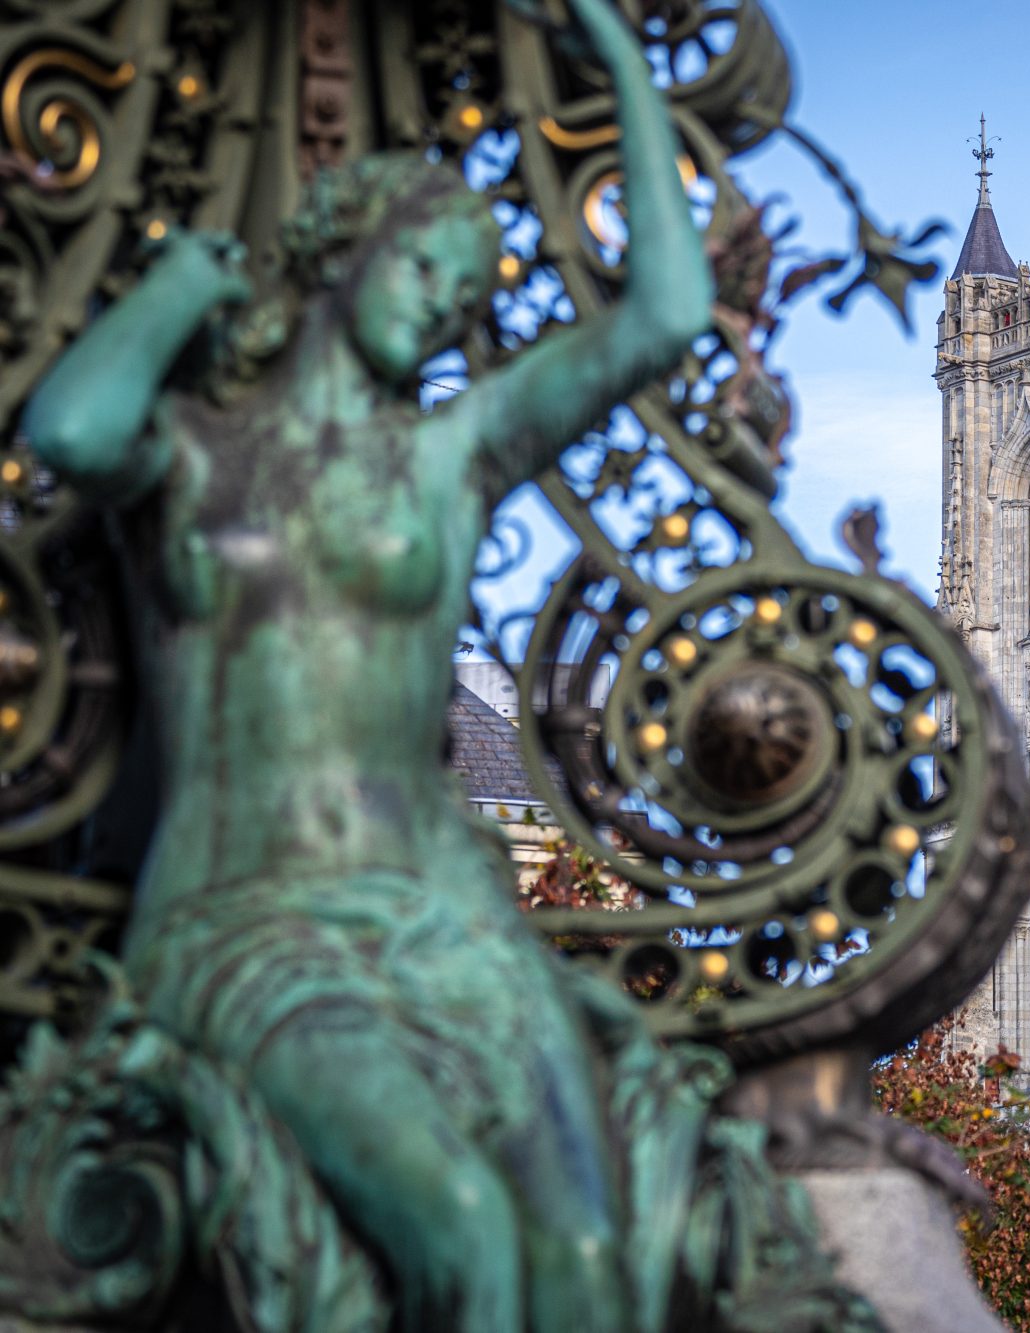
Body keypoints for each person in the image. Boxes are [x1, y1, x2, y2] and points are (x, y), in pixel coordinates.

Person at [19, 0, 711, 1327]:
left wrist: (620, 61)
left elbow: (664, 316)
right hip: (251, 913)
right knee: (458, 1231)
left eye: (469, 295)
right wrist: (175, 291)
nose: (448, 307)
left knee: (588, 1263)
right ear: (348, 252)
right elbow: (73, 423)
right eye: (426, 267)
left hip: (440, 913)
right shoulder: (203, 448)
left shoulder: (445, 461)